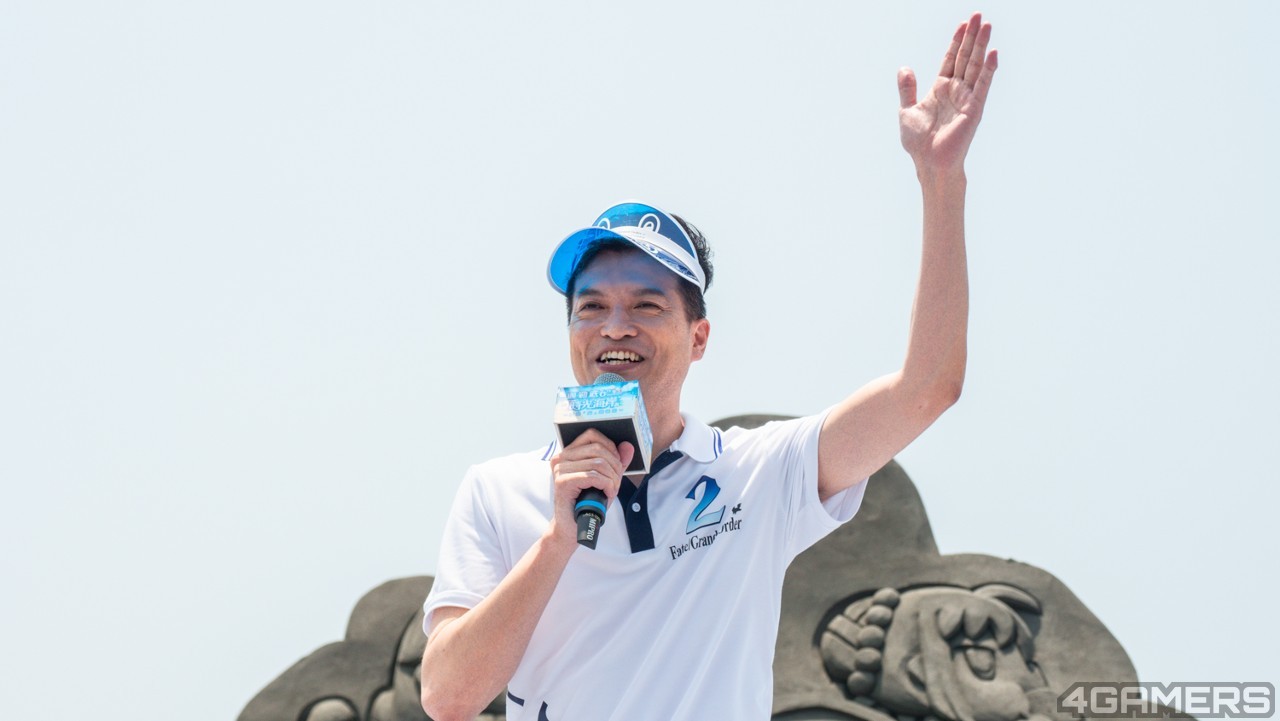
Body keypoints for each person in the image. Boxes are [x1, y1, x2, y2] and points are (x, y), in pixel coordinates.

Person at [419, 13, 998, 721]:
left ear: (699, 337)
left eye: (647, 304)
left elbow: (928, 388)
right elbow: (446, 697)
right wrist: (559, 538)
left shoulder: (758, 475)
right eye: (592, 306)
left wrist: (941, 178)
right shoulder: (497, 491)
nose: (616, 326)